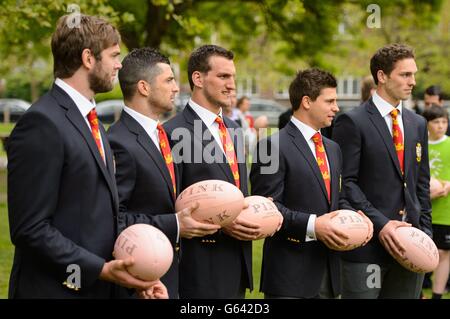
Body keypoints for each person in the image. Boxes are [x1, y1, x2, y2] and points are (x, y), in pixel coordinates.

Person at [7, 14, 166, 298]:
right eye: (114, 55)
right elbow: (30, 229)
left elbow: (101, 216)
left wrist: (135, 276)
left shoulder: (93, 123)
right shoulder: (42, 123)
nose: (120, 64)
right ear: (88, 58)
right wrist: (100, 270)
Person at [107, 48, 221, 298]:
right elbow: (112, 220)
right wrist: (176, 224)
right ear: (144, 87)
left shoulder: (165, 137)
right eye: (168, 80)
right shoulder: (118, 142)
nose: (176, 88)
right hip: (136, 281)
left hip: (173, 276)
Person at [250, 68, 372, 299]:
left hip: (330, 273)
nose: (336, 107)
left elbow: (338, 197)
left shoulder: (333, 148)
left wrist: (357, 218)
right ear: (307, 101)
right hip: (290, 278)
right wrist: (314, 225)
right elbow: (267, 209)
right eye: (330, 101)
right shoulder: (271, 147)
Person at [332, 43, 432, 299]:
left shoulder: (417, 123)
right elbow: (347, 183)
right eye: (405, 74)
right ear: (382, 76)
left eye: (414, 74)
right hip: (367, 246)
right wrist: (383, 224)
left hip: (412, 244)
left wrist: (425, 235)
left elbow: (421, 183)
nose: (413, 81)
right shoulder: (352, 121)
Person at [164, 44, 259, 298]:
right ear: (198, 78)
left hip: (238, 264)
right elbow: (170, 206)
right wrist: (223, 220)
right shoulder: (171, 133)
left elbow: (238, 191)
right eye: (223, 76)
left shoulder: (235, 130)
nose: (232, 85)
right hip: (198, 270)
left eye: (233, 77)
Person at [422, 105, 450, 299]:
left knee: (443, 253)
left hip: (445, 209)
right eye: (436, 122)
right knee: (420, 252)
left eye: (444, 122)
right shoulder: (420, 144)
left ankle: (437, 295)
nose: (441, 126)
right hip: (423, 207)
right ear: (427, 124)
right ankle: (417, 291)